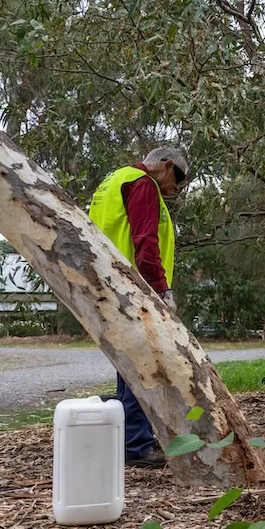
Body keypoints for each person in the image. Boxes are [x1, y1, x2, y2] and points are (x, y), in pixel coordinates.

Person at [89, 146, 188, 469]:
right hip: (134, 290)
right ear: (167, 165)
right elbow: (146, 244)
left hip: (107, 285)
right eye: (178, 180)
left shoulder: (113, 181)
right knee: (143, 367)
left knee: (128, 367)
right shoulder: (143, 184)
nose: (175, 190)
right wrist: (162, 290)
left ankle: (128, 434)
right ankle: (135, 443)